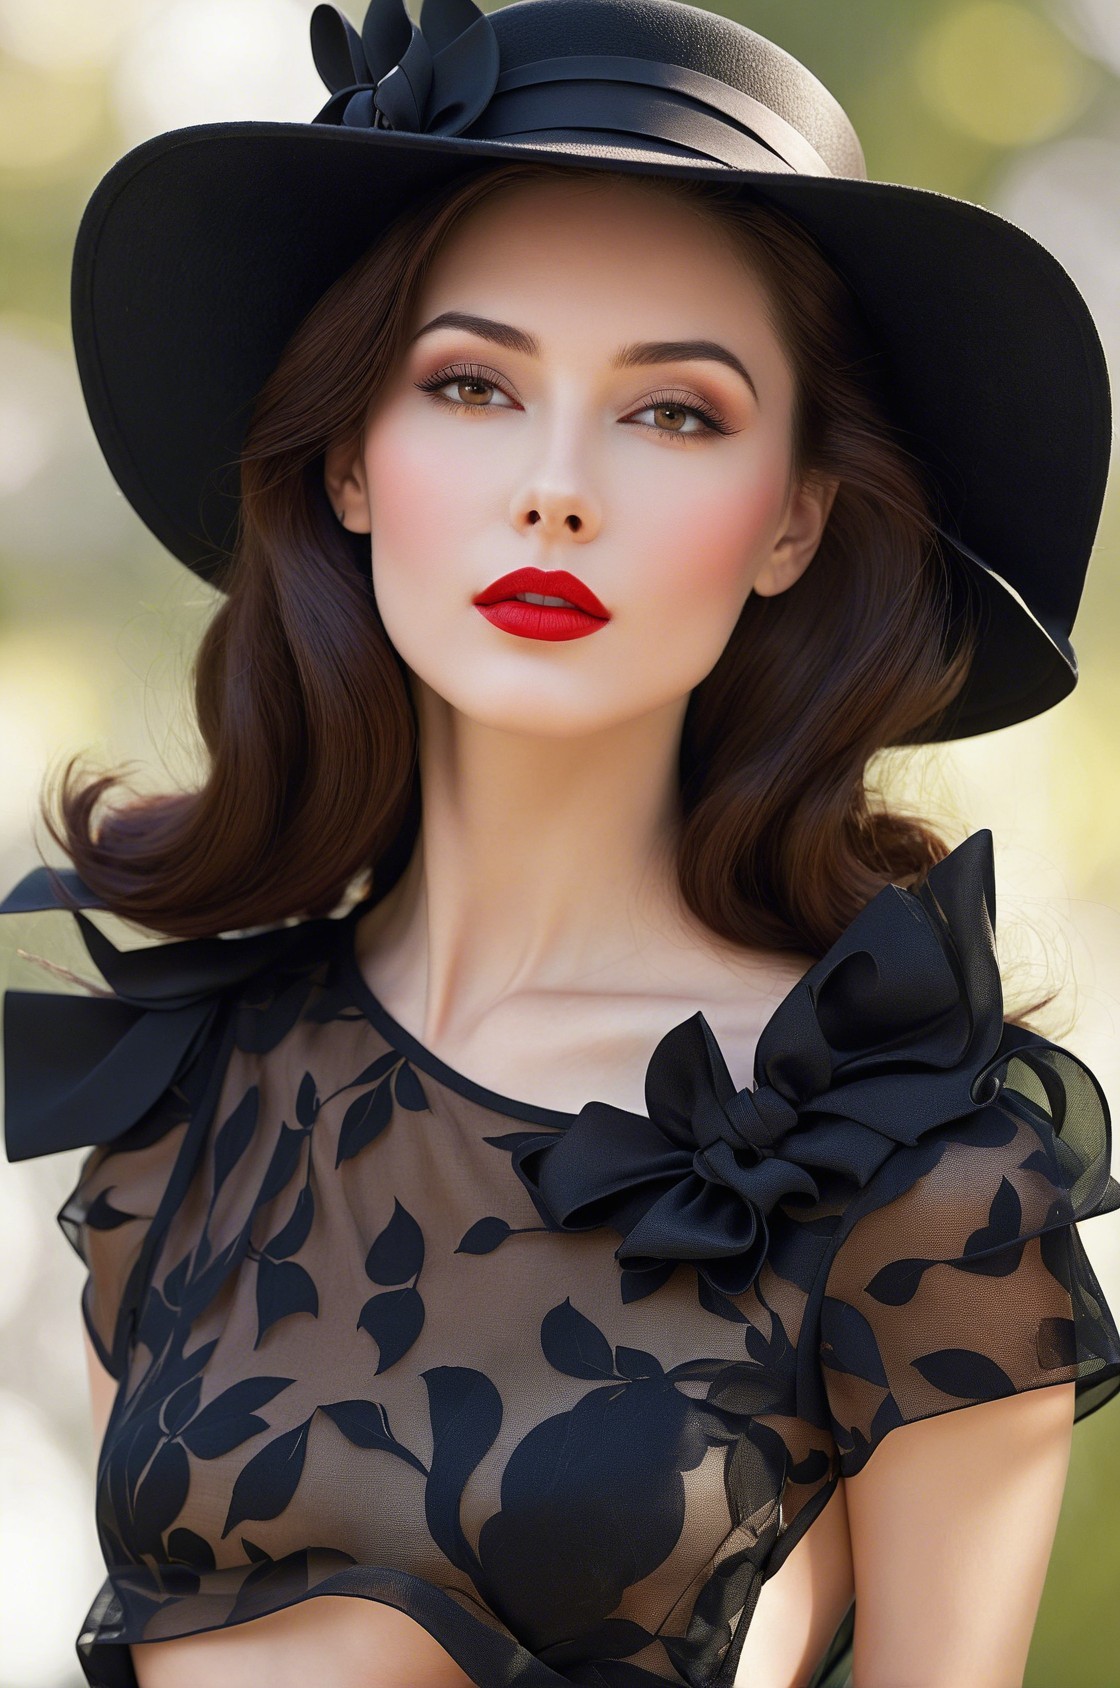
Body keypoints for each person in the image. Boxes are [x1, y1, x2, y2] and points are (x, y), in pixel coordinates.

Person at [2, 1, 1118, 1684]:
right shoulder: (178, 1106)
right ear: (352, 461)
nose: (557, 487)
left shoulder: (917, 1178)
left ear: (793, 522)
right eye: (471, 383)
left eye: (674, 412)